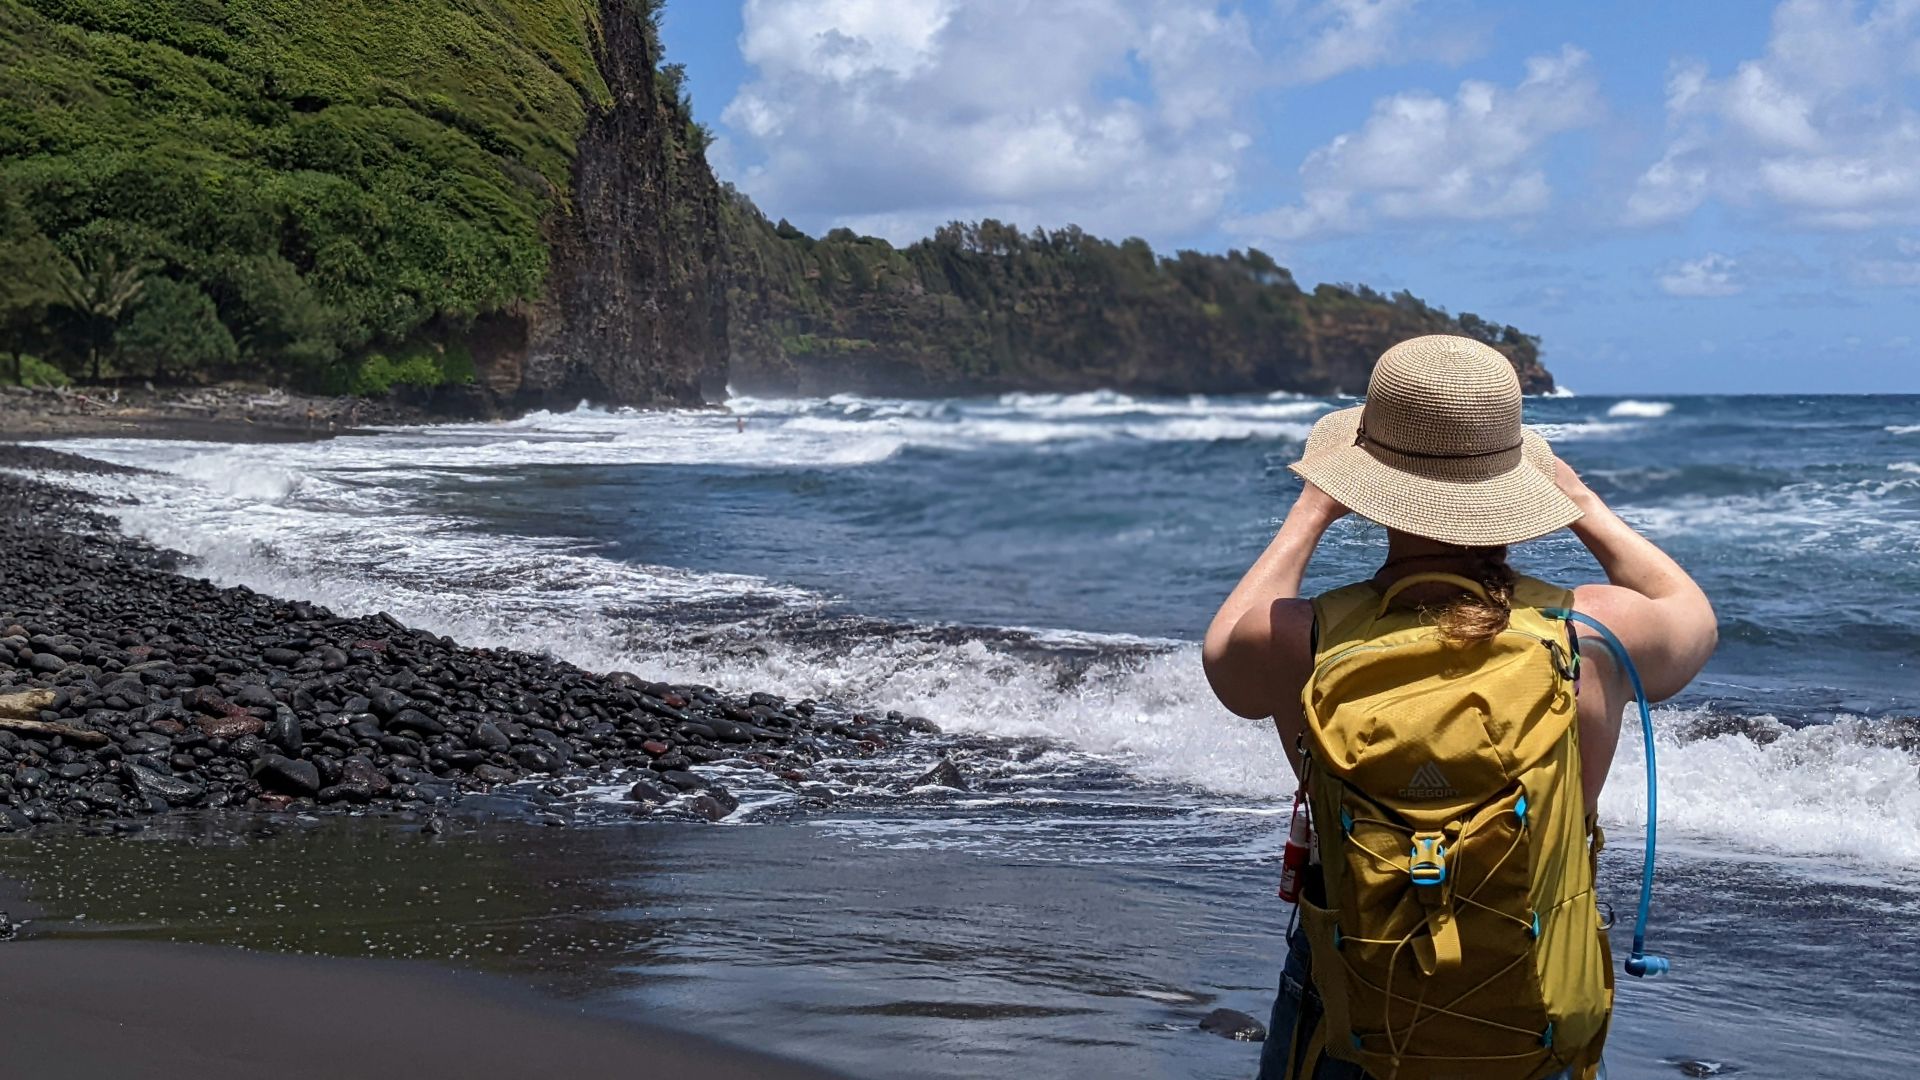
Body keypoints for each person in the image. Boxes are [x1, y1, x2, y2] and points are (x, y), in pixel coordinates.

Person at [1203, 336, 1716, 1080]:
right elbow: (1694, 618)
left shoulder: (1298, 639)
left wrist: (1311, 510)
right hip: (1529, 1009)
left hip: (1354, 1011)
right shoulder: (1593, 632)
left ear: (1364, 485)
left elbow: (1223, 658)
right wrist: (1582, 505)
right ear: (1513, 481)